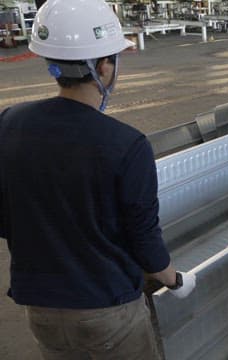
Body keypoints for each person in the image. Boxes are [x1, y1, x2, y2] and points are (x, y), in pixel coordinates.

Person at [0, 0, 196, 358]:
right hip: (107, 310)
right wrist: (175, 280)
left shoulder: (9, 123)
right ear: (105, 66)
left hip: (39, 307)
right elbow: (145, 240)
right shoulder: (127, 144)